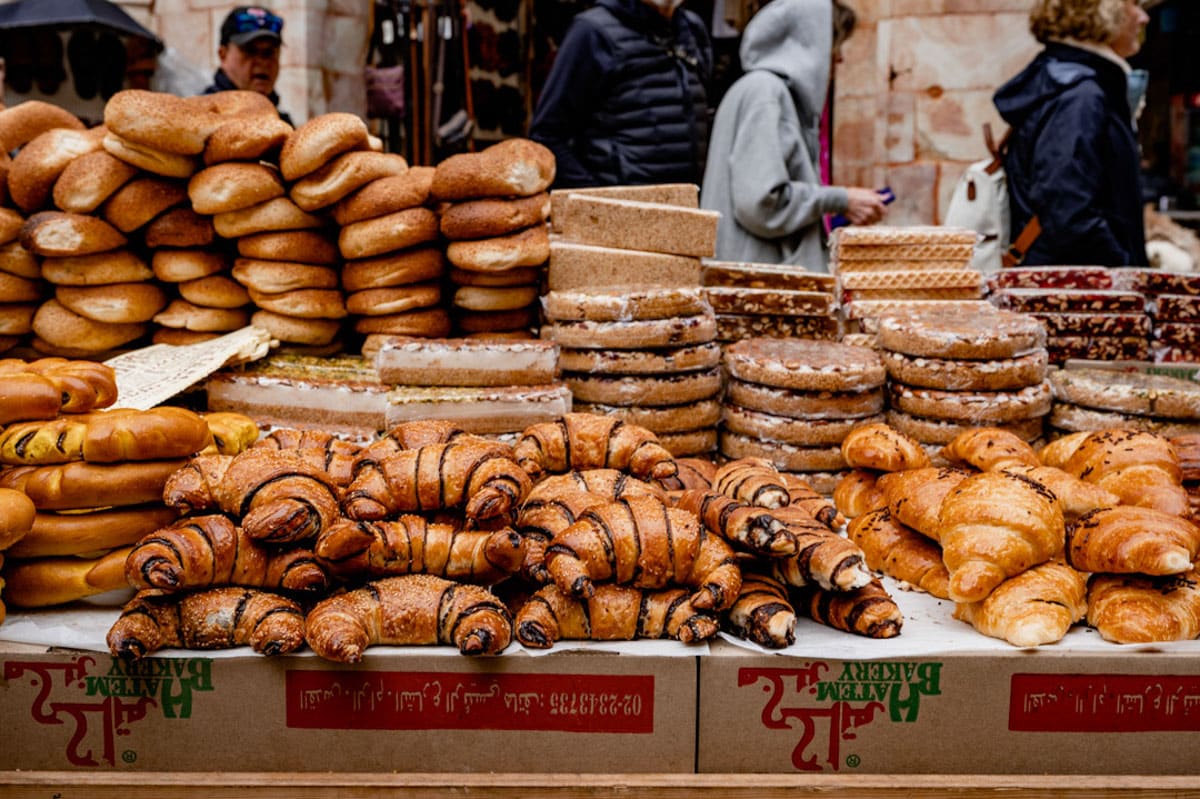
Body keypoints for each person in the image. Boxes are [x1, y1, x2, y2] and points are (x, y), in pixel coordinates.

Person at [700, 0, 886, 271]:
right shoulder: (766, 93)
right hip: (758, 284)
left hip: (753, 280)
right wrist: (841, 199)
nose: (839, 57)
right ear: (808, 43)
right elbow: (762, 203)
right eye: (833, 43)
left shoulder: (763, 91)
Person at [994, 0, 1151, 267]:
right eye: (1133, 4)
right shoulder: (1081, 97)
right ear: (1101, 12)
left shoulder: (1074, 86)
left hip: (1075, 288)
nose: (1143, 17)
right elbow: (1067, 209)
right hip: (1081, 294)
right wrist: (1124, 269)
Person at [528, 0, 712, 189]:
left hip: (688, 207)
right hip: (621, 208)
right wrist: (600, 201)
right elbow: (547, 135)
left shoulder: (692, 28)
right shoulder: (593, 31)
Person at [204, 5, 292, 126]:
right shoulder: (202, 117)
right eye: (250, 51)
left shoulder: (283, 124)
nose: (262, 62)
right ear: (223, 55)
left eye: (269, 52)